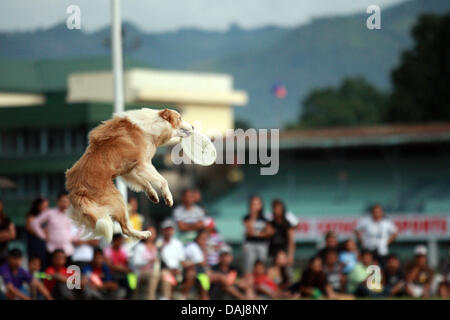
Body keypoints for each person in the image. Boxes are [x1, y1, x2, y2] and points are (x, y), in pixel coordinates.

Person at [31, 192, 76, 263]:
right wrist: (43, 236)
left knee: (68, 272)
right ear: (57, 201)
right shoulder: (50, 213)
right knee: (49, 272)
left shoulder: (73, 215)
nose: (64, 203)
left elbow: (81, 226)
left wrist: (74, 238)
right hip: (51, 248)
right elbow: (35, 223)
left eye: (66, 201)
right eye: (62, 201)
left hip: (67, 249)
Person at [157, 219, 190, 299]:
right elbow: (158, 261)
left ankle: (182, 295)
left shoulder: (177, 244)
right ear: (162, 230)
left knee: (191, 273)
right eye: (166, 229)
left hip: (177, 271)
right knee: (167, 278)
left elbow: (182, 260)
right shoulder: (158, 243)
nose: (168, 232)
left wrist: (182, 268)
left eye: (170, 229)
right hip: (164, 271)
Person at [242, 195, 273, 277]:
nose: (255, 206)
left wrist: (257, 234)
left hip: (262, 245)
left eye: (257, 204)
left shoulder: (265, 219)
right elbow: (249, 232)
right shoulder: (247, 217)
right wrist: (253, 216)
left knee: (262, 265)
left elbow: (269, 232)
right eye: (253, 204)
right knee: (249, 266)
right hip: (250, 244)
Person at [132, 226, 160, 300]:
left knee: (165, 274)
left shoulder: (156, 247)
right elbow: (136, 263)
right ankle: (151, 297)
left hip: (153, 272)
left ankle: (165, 297)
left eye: (153, 233)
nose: (151, 236)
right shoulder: (140, 247)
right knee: (154, 274)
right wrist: (149, 261)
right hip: (140, 273)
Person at [267, 199, 297, 266]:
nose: (277, 211)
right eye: (275, 209)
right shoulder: (270, 223)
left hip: (284, 251)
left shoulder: (287, 224)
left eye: (279, 209)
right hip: (273, 252)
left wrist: (290, 256)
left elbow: (291, 241)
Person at [183, 229, 210, 299]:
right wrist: (205, 250)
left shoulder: (199, 248)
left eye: (205, 239)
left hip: (199, 272)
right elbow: (202, 263)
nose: (204, 241)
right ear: (197, 238)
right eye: (202, 238)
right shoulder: (193, 247)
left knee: (205, 283)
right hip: (188, 272)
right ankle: (183, 295)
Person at [25, 197, 49, 268]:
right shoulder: (31, 217)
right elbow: (31, 229)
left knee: (44, 266)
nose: (46, 209)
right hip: (35, 246)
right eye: (44, 206)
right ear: (38, 206)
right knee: (34, 266)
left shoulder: (46, 218)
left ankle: (42, 278)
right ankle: (34, 279)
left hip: (44, 247)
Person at [0, 200, 16, 265]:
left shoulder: (6, 219)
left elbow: (12, 235)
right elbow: (9, 234)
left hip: (4, 251)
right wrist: (6, 234)